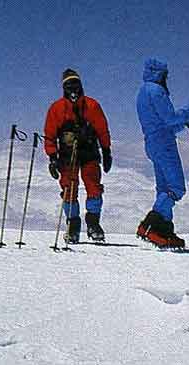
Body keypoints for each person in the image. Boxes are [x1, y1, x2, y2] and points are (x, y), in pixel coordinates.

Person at [136, 58, 189, 248]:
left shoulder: (142, 92)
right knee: (176, 188)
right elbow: (170, 118)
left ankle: (164, 232)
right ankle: (151, 225)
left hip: (153, 143)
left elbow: (163, 123)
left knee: (164, 189)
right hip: (164, 145)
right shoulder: (156, 90)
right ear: (160, 73)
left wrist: (184, 121)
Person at [44, 68, 112, 243]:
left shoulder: (92, 106)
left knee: (94, 187)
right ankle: (73, 226)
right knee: (69, 189)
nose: (73, 89)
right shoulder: (57, 109)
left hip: (89, 153)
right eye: (69, 85)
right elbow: (50, 134)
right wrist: (52, 157)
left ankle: (93, 224)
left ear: (81, 85)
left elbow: (102, 130)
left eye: (75, 84)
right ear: (64, 87)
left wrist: (106, 151)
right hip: (67, 156)